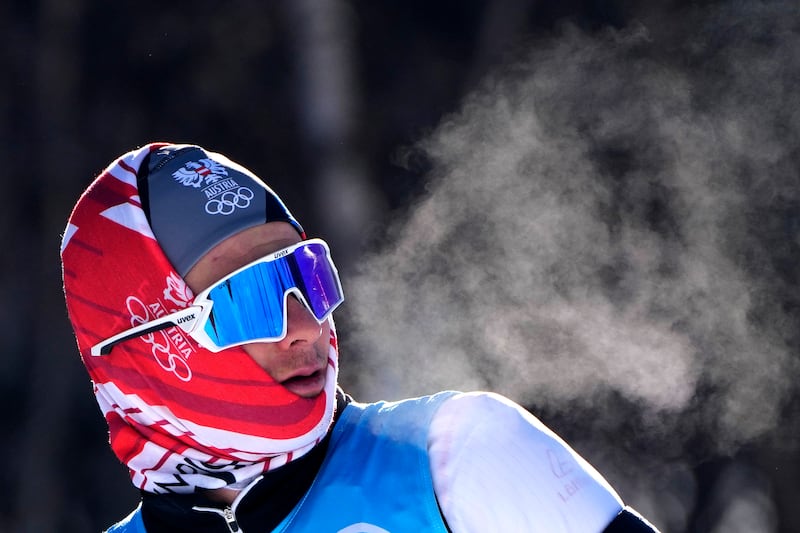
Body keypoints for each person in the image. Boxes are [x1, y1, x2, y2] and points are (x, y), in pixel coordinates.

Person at [61, 143, 661, 532]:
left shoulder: (456, 457)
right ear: (144, 351)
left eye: (307, 276)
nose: (303, 328)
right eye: (249, 303)